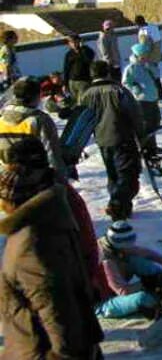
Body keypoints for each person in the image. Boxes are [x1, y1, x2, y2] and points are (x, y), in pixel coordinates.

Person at [0, 138, 104, 359]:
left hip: (37, 348)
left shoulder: (30, 240)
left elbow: (53, 309)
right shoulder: (57, 206)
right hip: (70, 331)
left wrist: (61, 354)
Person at [81, 60, 144, 220]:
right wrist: (142, 136)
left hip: (102, 140)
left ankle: (120, 205)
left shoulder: (86, 95)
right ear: (108, 72)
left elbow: (82, 119)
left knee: (113, 174)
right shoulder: (118, 91)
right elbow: (135, 114)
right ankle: (118, 204)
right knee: (127, 174)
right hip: (122, 137)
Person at [95, 221, 162, 320]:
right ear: (118, 245)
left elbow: (148, 254)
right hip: (104, 302)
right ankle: (154, 302)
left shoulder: (118, 246)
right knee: (144, 298)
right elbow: (122, 291)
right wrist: (148, 282)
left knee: (138, 260)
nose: (130, 247)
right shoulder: (107, 260)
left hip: (119, 292)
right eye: (126, 245)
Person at [0, 78, 68, 182]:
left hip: (5, 179)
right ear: (36, 96)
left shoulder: (2, 119)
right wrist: (60, 179)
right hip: (34, 181)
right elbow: (52, 154)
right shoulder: (39, 120)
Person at [122, 43, 162, 168]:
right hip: (142, 101)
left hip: (152, 98)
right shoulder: (131, 68)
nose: (146, 57)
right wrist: (136, 89)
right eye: (143, 56)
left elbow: (156, 76)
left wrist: (151, 67)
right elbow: (126, 83)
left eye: (146, 55)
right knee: (146, 126)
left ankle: (153, 146)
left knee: (155, 123)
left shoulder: (147, 66)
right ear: (137, 55)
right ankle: (146, 148)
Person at [135, 15, 162, 99]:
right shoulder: (153, 27)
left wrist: (140, 58)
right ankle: (160, 93)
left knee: (151, 77)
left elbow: (144, 47)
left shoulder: (144, 32)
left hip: (149, 58)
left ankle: (157, 94)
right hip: (156, 55)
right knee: (156, 76)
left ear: (138, 24)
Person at [63, 34, 95, 103]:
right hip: (72, 82)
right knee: (74, 102)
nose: (74, 44)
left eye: (75, 42)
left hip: (83, 81)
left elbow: (88, 59)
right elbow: (66, 69)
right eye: (71, 42)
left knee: (82, 101)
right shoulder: (69, 54)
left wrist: (82, 48)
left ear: (79, 42)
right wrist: (65, 84)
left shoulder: (87, 51)